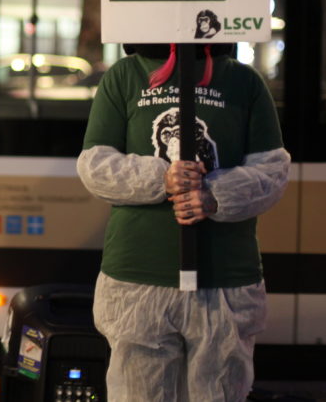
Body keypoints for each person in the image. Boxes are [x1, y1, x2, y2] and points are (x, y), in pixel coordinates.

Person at [77, 43, 290, 401]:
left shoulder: (242, 81)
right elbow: (95, 164)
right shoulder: (126, 76)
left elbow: (272, 170)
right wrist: (162, 178)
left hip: (224, 277)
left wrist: (214, 194)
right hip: (137, 276)